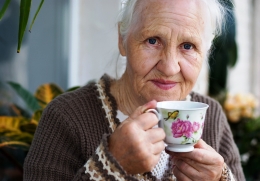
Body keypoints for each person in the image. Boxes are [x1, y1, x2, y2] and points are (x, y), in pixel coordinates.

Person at [24, 0, 246, 180]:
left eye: (188, 46)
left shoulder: (213, 117)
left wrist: (221, 178)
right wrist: (111, 165)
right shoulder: (67, 117)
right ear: (122, 40)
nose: (169, 67)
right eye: (152, 41)